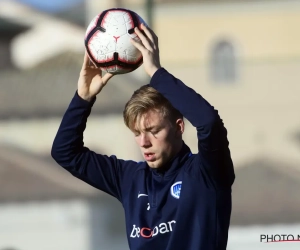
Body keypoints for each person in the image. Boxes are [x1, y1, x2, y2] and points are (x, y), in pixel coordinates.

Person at [51, 23, 235, 250]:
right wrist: (83, 98)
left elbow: (209, 122)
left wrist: (156, 73)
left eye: (154, 131)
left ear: (179, 127)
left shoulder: (207, 172)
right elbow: (65, 152)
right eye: (137, 133)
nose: (144, 142)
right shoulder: (130, 178)